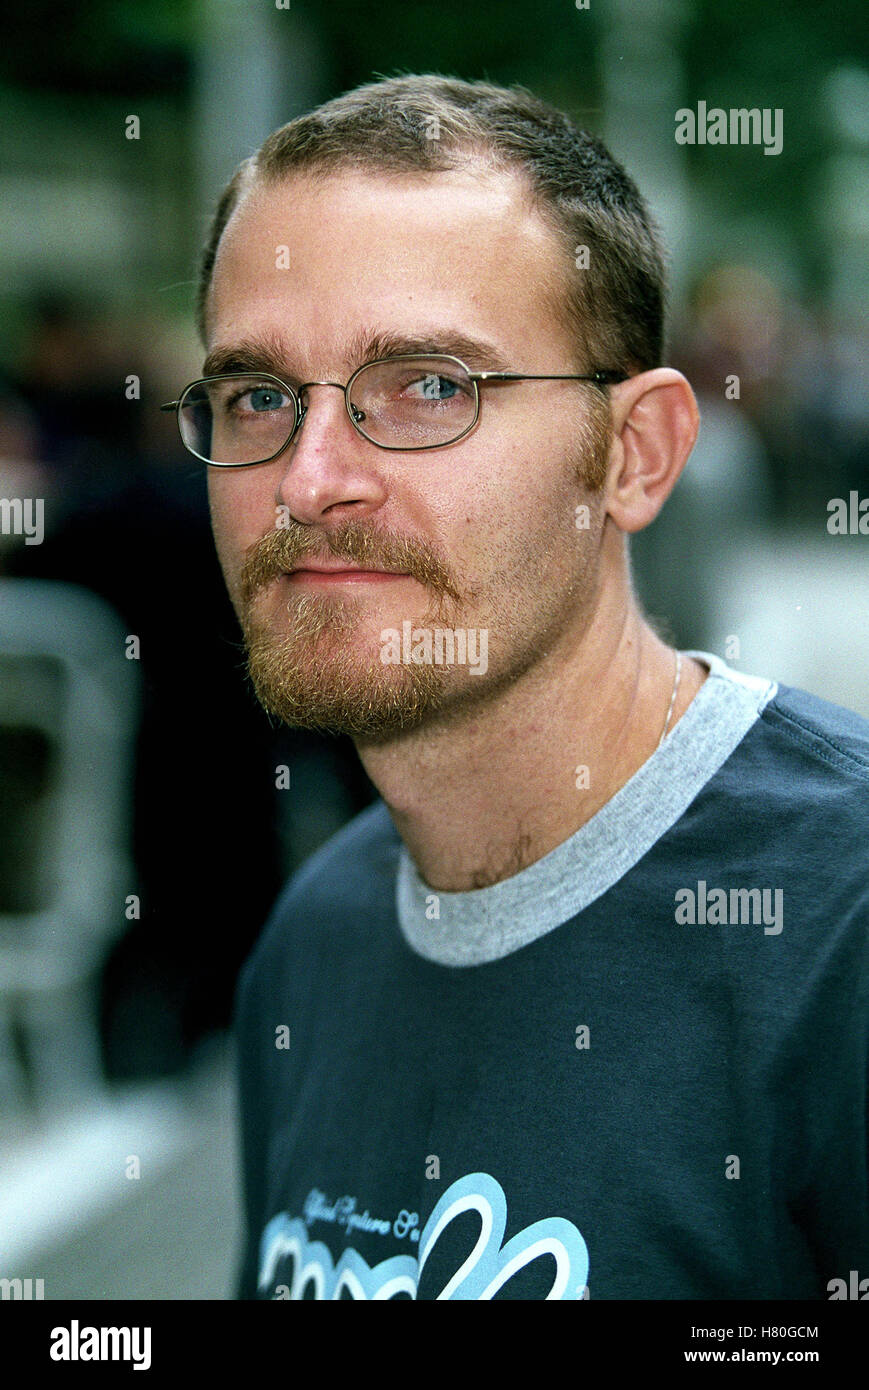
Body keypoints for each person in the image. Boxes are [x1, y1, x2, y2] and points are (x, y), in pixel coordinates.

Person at [165, 74, 868, 1299]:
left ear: (633, 456)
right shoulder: (315, 936)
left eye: (429, 385)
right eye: (258, 397)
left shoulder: (836, 927)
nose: (308, 480)